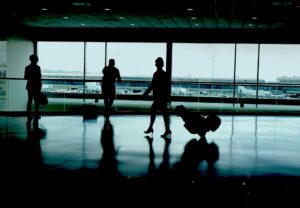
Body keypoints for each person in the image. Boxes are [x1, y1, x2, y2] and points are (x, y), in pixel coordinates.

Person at [143, 57, 171, 138]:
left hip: (158, 97)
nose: (155, 64)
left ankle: (152, 128)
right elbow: (167, 86)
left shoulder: (156, 74)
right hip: (162, 97)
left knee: (154, 111)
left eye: (156, 63)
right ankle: (166, 130)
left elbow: (152, 85)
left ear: (158, 64)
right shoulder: (164, 74)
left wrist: (146, 93)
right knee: (163, 113)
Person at [24, 54, 42, 120]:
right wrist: (40, 86)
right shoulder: (38, 68)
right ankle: (36, 114)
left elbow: (25, 77)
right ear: (36, 60)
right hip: (37, 86)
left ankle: (28, 114)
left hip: (30, 85)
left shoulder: (27, 67)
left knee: (29, 100)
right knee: (36, 101)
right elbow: (39, 78)